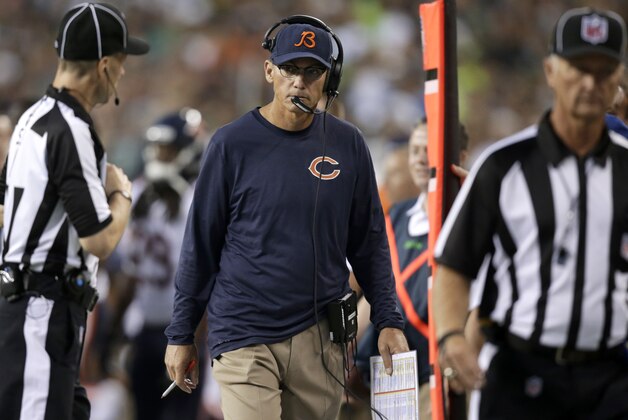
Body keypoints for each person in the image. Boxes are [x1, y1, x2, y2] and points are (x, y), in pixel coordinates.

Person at [164, 16, 408, 419]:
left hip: (320, 336)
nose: (300, 81)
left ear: (329, 79)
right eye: (290, 68)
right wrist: (180, 332)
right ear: (269, 71)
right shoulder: (231, 144)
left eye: (312, 71)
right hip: (244, 333)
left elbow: (369, 243)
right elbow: (200, 247)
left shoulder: (348, 144)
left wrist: (388, 319)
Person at [433, 7, 628, 420]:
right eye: (578, 67)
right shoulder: (504, 166)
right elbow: (454, 264)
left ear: (618, 81)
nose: (590, 82)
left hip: (612, 378)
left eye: (603, 69)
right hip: (520, 378)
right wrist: (451, 337)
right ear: (551, 71)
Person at [0, 3, 148, 419]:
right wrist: (121, 195)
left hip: (31, 307)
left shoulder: (31, 117)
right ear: (104, 65)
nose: (122, 72)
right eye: (121, 63)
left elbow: (5, 208)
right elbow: (99, 240)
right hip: (43, 311)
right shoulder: (71, 128)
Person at [118, 108, 207, 420]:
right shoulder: (144, 193)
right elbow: (129, 272)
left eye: (168, 149)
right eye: (159, 148)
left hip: (183, 330)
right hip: (148, 325)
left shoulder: (193, 196)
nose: (161, 156)